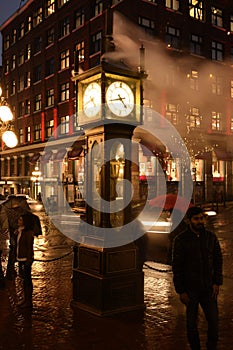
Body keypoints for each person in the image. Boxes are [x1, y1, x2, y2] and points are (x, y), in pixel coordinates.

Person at [172, 206, 223, 350]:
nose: (200, 221)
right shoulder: (181, 240)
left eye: (202, 218)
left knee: (214, 322)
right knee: (191, 324)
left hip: (208, 289)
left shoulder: (211, 238)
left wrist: (217, 282)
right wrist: (181, 291)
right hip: (190, 289)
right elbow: (177, 267)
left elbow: (218, 260)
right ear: (189, 221)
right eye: (196, 219)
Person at [15, 213, 35, 308]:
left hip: (25, 259)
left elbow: (29, 248)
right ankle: (25, 298)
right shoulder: (20, 231)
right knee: (23, 279)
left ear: (25, 222)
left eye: (20, 220)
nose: (18, 221)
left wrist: (28, 260)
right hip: (20, 258)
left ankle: (28, 301)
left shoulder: (28, 233)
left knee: (27, 280)